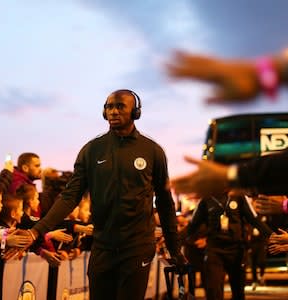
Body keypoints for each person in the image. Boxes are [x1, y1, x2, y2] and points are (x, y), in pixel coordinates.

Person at [26, 89, 185, 300]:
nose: (113, 111)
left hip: (137, 246)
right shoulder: (91, 150)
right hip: (102, 246)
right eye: (109, 107)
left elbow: (165, 203)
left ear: (135, 112)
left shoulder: (153, 151)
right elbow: (69, 197)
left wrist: (175, 249)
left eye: (120, 106)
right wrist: (36, 231)